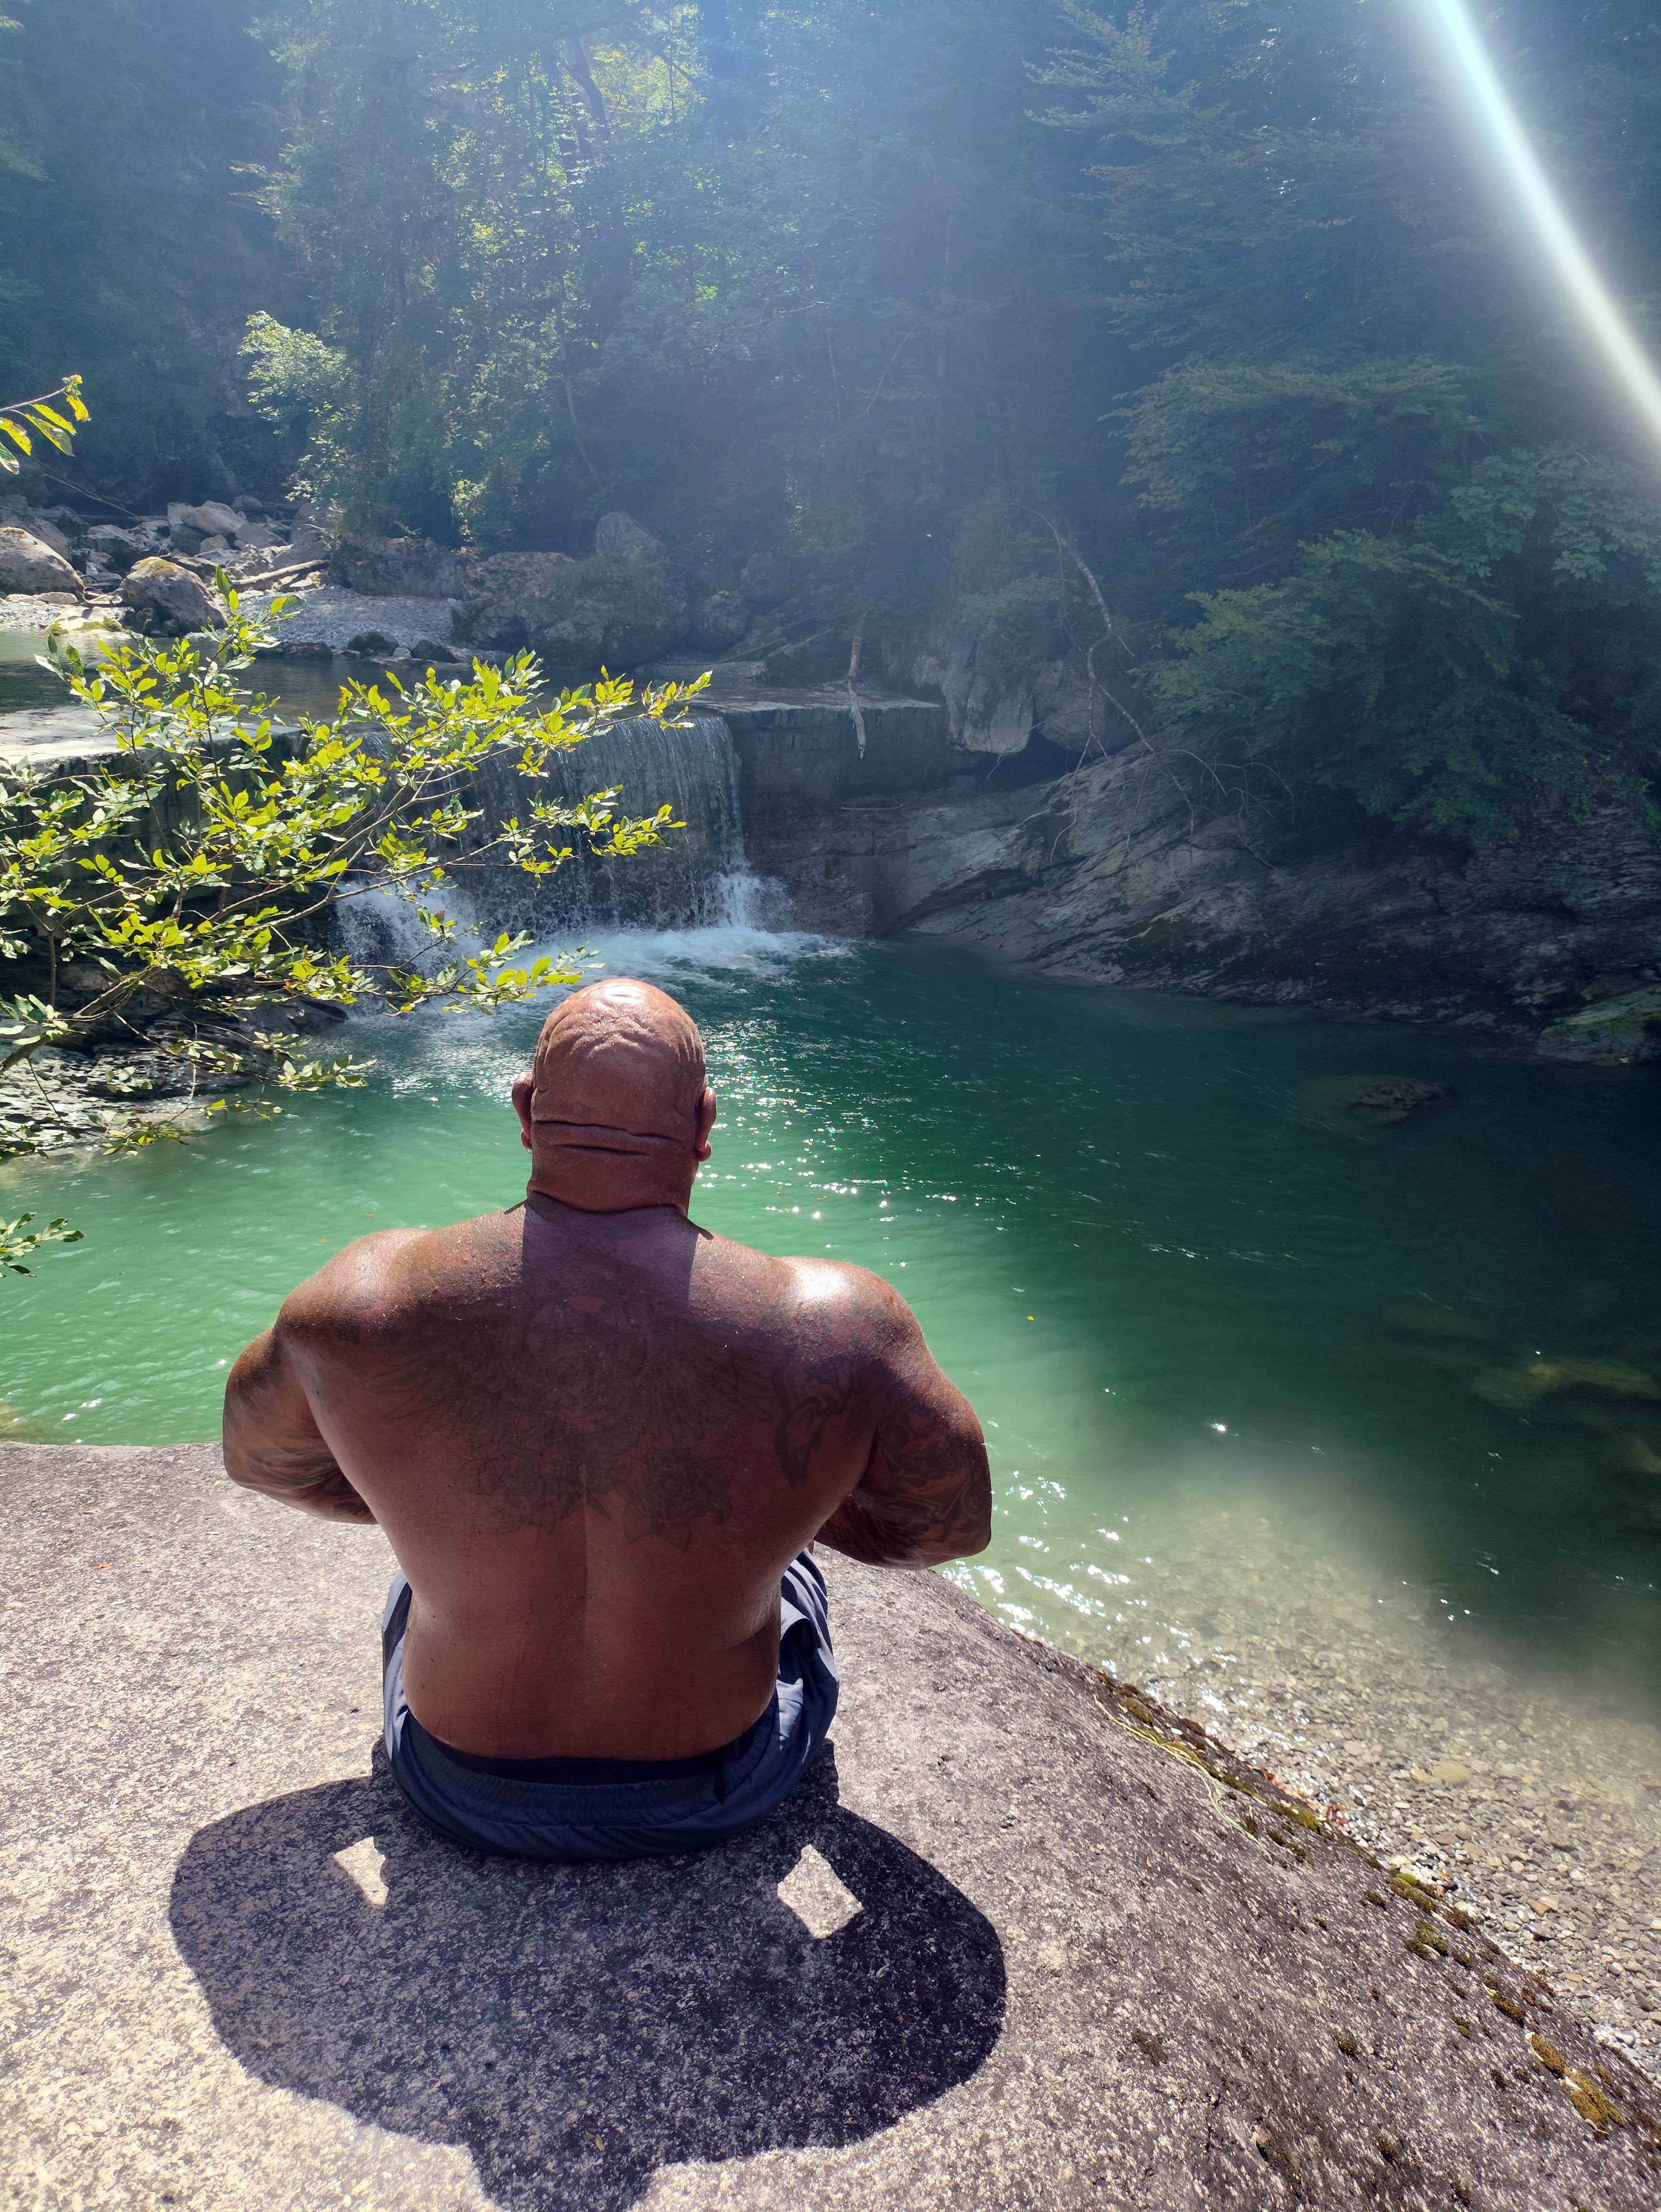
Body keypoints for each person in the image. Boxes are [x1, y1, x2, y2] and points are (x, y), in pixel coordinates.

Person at [222, 976, 991, 1862]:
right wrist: (784, 1513)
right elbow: (947, 1528)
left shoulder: (358, 1301)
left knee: (420, 1575)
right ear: (704, 1123)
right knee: (795, 1569)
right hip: (721, 1780)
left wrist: (419, 1507)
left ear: (524, 1111)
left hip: (455, 1780)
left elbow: (259, 1461)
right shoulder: (840, 1323)